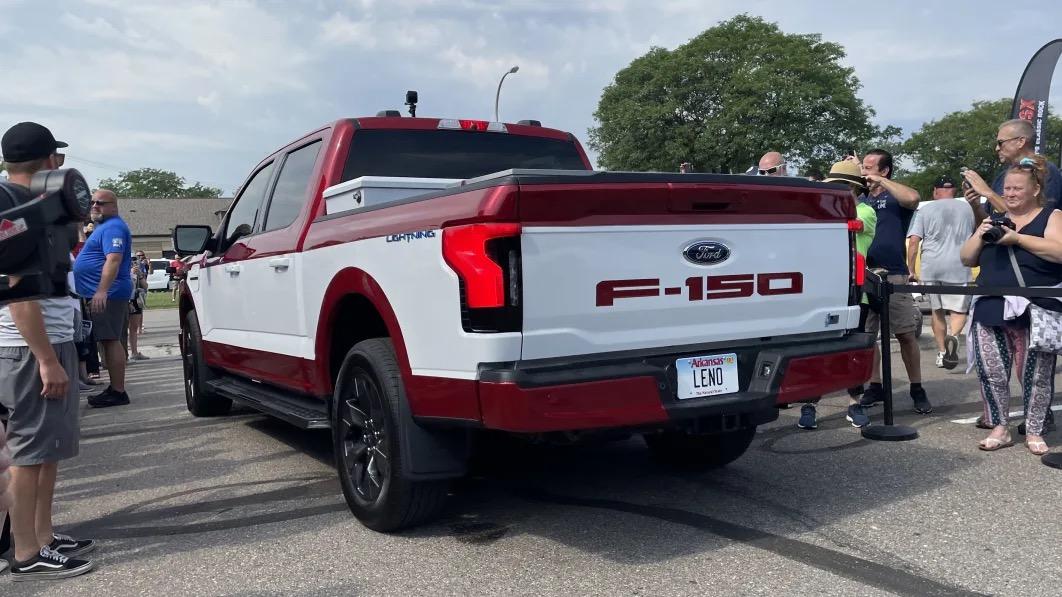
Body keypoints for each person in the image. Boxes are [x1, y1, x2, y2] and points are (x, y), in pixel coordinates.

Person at [0, 121, 95, 580]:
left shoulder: (38, 207)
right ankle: (24, 552)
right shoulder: (15, 210)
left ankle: (44, 535)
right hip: (29, 349)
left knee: (48, 449)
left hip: (50, 342)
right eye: (55, 156)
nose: (60, 163)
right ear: (47, 161)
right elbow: (20, 297)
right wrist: (46, 359)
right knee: (29, 454)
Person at [959, 157, 1062, 455]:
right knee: (991, 371)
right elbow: (966, 258)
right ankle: (999, 427)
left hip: (1037, 307)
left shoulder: (1051, 216)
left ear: (1035, 189)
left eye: (1018, 188)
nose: (1011, 193)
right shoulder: (992, 218)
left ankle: (1034, 430)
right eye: (1007, 188)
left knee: (1036, 374)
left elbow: (1059, 252)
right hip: (991, 305)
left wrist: (1017, 238)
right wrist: (981, 233)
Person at [796, 160, 876, 429]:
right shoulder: (824, 213)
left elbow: (852, 226)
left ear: (852, 188)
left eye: (842, 187)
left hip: (853, 291)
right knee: (815, 349)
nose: (837, 191)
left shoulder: (865, 211)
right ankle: (809, 405)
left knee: (852, 350)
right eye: (834, 187)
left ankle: (855, 404)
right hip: (824, 289)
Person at [851, 149, 932, 414]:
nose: (865, 172)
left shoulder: (894, 195)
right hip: (865, 274)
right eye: (863, 167)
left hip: (894, 272)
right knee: (868, 335)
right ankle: (876, 386)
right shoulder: (861, 198)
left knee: (905, 333)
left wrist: (880, 180)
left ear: (885, 170)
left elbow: (914, 198)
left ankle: (916, 388)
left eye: (870, 167)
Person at [906, 175, 975, 370]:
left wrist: (911, 269)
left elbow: (913, 242)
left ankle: (943, 352)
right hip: (960, 263)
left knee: (937, 312)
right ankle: (953, 336)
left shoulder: (926, 209)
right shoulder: (968, 209)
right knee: (958, 310)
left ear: (936, 191)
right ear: (954, 191)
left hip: (932, 266)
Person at [73, 188, 133, 408]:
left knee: (110, 340)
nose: (95, 206)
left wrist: (101, 290)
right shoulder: (103, 227)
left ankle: (118, 392)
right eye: (93, 203)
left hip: (110, 293)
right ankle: (114, 388)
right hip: (104, 293)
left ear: (114, 206)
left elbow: (114, 259)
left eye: (101, 203)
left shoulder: (114, 227)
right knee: (107, 340)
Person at [963, 119, 1062, 219]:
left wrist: (988, 193)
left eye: (1000, 142)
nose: (997, 148)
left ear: (1021, 142)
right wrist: (976, 206)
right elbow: (990, 223)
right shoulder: (1001, 177)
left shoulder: (1045, 171)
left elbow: (1038, 219)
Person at [127, 261, 149, 362]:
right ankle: (123, 353)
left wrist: (139, 275)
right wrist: (130, 273)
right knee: (122, 329)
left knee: (134, 328)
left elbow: (145, 286)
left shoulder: (137, 271)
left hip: (135, 299)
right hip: (123, 299)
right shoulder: (120, 268)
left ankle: (134, 352)